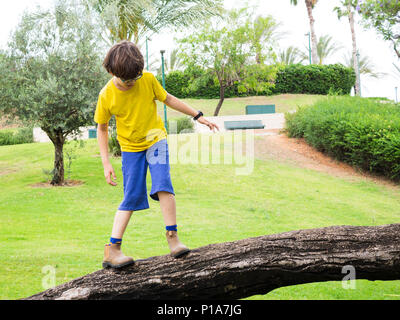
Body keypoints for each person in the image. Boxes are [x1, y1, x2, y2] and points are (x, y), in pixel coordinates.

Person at [94, 40, 219, 269]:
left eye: (135, 78)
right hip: (131, 148)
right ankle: (112, 249)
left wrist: (197, 115)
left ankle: (173, 238)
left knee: (163, 183)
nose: (132, 82)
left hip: (156, 139)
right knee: (131, 196)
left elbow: (168, 98)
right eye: (127, 79)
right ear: (112, 71)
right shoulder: (106, 95)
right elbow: (101, 129)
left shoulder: (148, 79)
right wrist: (106, 163)